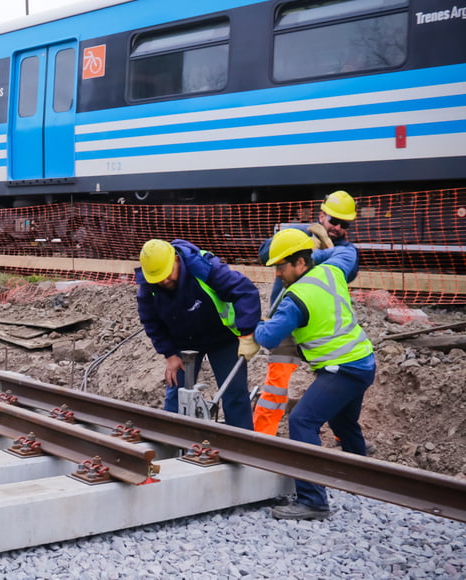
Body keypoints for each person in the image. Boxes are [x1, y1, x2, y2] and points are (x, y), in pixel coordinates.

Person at [255, 229, 375, 520]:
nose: (278, 274)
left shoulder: (295, 299)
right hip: (362, 362)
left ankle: (313, 501)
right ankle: (364, 480)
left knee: (302, 421)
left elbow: (269, 337)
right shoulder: (332, 270)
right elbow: (348, 251)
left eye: (281, 266)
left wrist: (251, 327)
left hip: (342, 370)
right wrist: (316, 251)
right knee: (343, 422)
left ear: (300, 263)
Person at [254, 190, 360, 435]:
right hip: (286, 322)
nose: (338, 228)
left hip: (319, 329)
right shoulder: (299, 233)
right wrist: (305, 241)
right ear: (322, 215)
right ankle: (261, 438)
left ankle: (343, 435)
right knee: (276, 387)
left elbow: (348, 272)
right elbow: (264, 253)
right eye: (334, 221)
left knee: (336, 383)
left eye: (344, 224)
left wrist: (314, 254)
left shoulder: (345, 249)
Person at [136, 239, 261, 429]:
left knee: (234, 394)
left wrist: (247, 333)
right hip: (184, 343)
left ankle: (242, 444)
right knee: (177, 396)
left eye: (167, 274)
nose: (164, 281)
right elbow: (151, 321)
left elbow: (245, 291)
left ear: (176, 260)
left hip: (222, 338)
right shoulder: (149, 286)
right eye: (158, 279)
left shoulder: (204, 268)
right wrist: (170, 354)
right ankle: (171, 441)